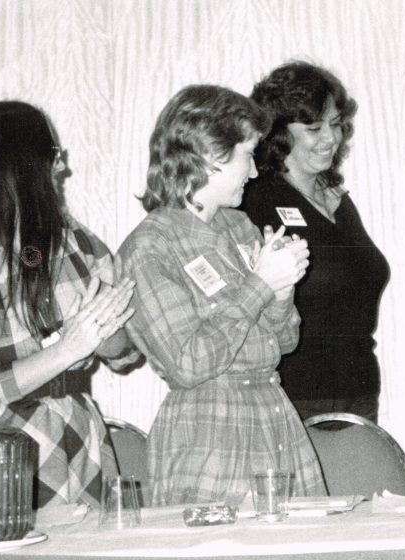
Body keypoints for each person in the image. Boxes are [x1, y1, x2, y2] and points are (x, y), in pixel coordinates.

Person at [0, 101, 138, 508]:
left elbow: (128, 351)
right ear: (19, 166)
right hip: (2, 460)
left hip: (84, 447)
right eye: (53, 157)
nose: (62, 169)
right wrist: (68, 349)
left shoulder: (76, 242)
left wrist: (106, 337)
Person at [118, 84, 326, 505]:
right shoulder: (151, 247)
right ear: (211, 155)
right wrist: (260, 285)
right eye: (248, 155)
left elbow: (284, 343)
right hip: (208, 433)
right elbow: (188, 364)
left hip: (274, 415)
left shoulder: (239, 228)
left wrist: (282, 293)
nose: (253, 173)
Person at [240, 61, 389, 423]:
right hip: (294, 397)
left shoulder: (337, 198)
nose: (331, 139)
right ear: (279, 132)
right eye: (313, 128)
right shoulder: (255, 200)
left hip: (359, 389)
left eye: (336, 125)